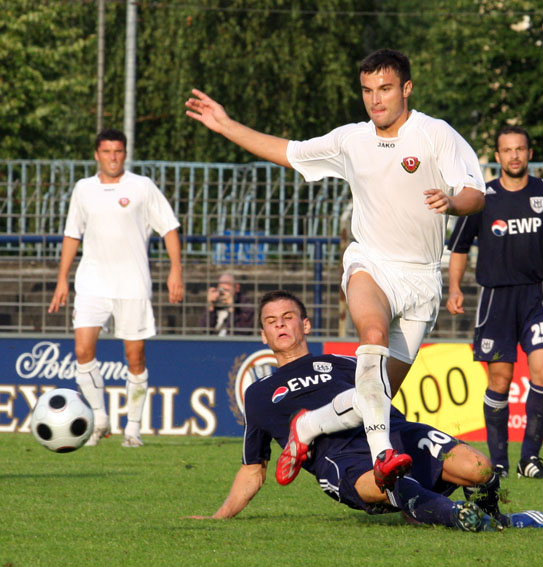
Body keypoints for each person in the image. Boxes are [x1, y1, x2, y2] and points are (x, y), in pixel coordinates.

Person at [185, 48, 486, 491]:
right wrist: (226, 125)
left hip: (422, 279)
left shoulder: (435, 133)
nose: (375, 99)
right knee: (372, 333)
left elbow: (475, 193)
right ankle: (382, 456)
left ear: (406, 88)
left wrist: (453, 203)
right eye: (367, 90)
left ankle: (308, 426)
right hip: (370, 262)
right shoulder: (351, 140)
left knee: (375, 397)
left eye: (385, 89)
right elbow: (289, 152)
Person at [186, 291, 543, 531]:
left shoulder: (349, 362)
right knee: (390, 484)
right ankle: (455, 517)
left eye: (288, 316)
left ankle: (496, 520)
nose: (280, 324)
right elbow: (253, 470)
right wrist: (218, 517)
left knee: (480, 468)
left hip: (395, 435)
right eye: (271, 321)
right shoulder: (259, 394)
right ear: (263, 336)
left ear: (306, 324)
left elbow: (386, 394)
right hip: (342, 459)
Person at [446, 126, 543, 479]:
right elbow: (459, 249)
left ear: (529, 153)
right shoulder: (481, 198)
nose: (514, 155)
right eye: (507, 150)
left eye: (520, 149)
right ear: (497, 156)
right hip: (496, 299)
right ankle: (499, 464)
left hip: (539, 295)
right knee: (500, 379)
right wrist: (454, 288)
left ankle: (530, 460)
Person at [48, 128, 184, 448]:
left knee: (135, 357)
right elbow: (72, 234)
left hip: (132, 284)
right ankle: (99, 419)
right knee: (83, 351)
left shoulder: (142, 186)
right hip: (92, 282)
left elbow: (169, 228)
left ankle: (133, 428)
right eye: (107, 151)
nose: (113, 157)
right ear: (97, 154)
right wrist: (62, 278)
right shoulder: (83, 189)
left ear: (125, 153)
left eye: (118, 151)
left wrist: (176, 270)